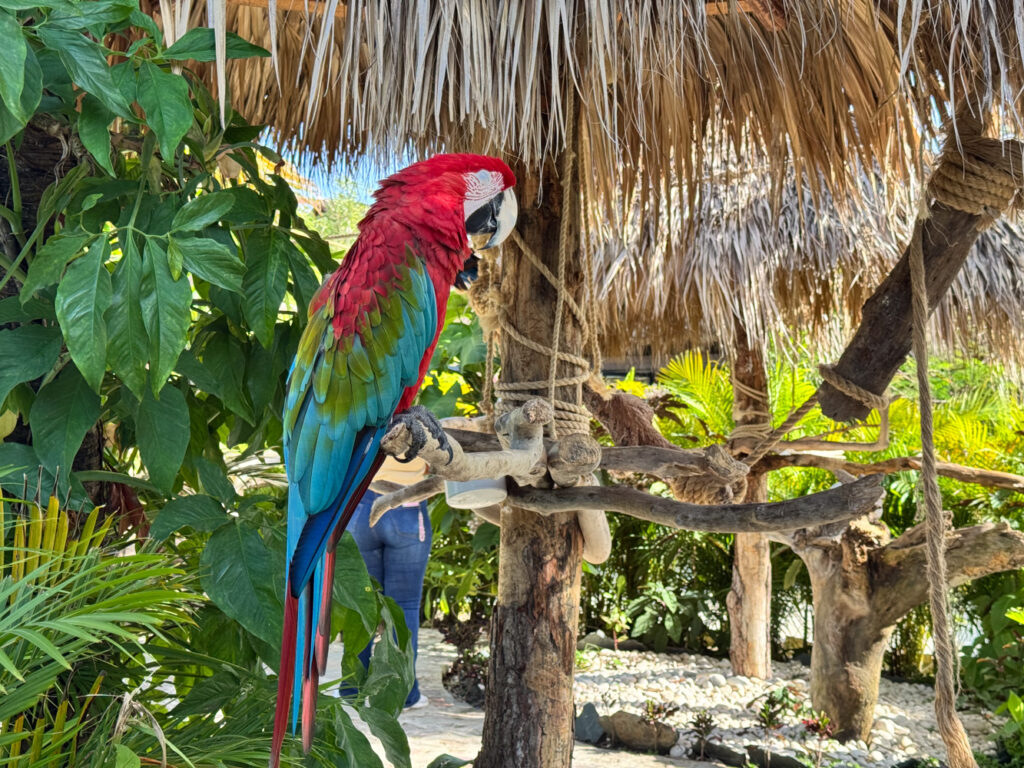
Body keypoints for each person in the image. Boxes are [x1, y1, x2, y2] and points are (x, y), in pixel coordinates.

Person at [346, 454, 432, 708]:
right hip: (407, 507)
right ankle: (404, 693)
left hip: (361, 509)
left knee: (363, 601)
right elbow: (436, 464)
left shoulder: (363, 415)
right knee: (403, 607)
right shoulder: (422, 419)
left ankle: (352, 688)